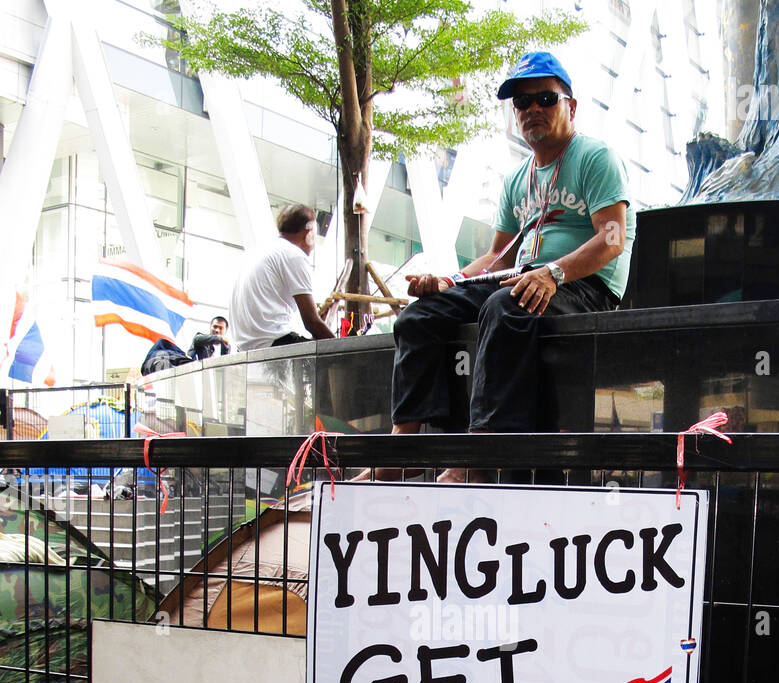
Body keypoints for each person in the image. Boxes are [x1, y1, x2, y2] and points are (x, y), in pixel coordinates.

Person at [389, 51, 636, 468]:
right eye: (521, 103)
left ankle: (478, 457)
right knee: (418, 316)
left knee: (503, 305)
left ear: (570, 107)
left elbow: (612, 238)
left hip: (583, 284)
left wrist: (554, 272)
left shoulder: (595, 158)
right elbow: (494, 254)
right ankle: (399, 452)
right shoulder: (517, 179)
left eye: (545, 98)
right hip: (522, 276)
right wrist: (449, 280)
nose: (532, 109)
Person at [230, 206, 334, 349]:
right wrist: (344, 350)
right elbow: (311, 322)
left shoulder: (259, 251)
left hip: (245, 346)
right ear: (309, 233)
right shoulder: (293, 255)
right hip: (273, 342)